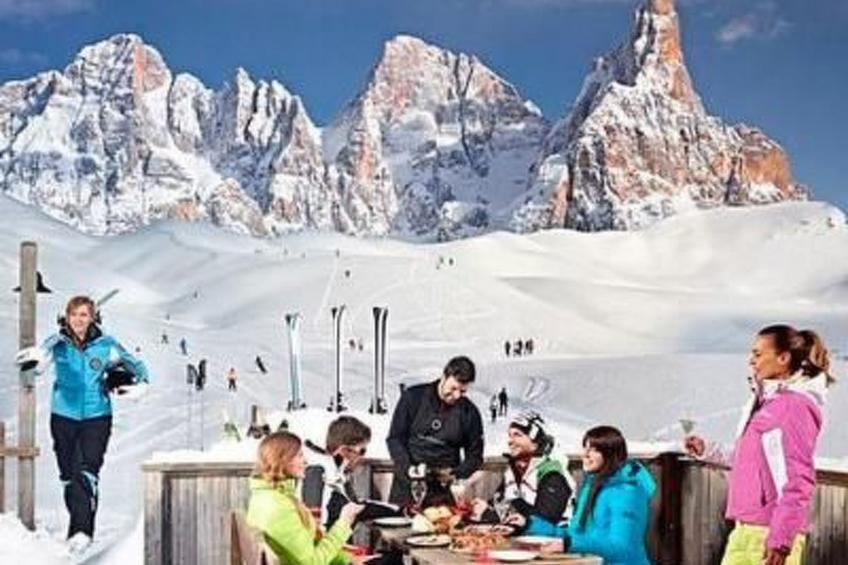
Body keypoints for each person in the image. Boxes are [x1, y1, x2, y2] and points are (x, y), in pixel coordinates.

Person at [685, 325, 833, 565]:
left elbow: (798, 478)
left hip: (767, 535)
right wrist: (708, 450)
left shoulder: (793, 408)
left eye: (758, 354)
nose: (751, 360)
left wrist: (781, 539)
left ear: (783, 358)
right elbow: (755, 461)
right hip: (748, 530)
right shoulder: (769, 403)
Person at [15, 295, 150, 552]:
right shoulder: (57, 343)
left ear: (92, 317)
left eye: (84, 314)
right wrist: (36, 361)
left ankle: (82, 531)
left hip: (97, 417)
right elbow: (38, 361)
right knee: (68, 475)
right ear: (67, 317)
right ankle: (77, 526)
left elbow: (136, 364)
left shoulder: (106, 345)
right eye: (74, 314)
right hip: (63, 416)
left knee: (86, 472)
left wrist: (141, 384)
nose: (79, 319)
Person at [521, 425, 655, 565]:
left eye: (594, 450)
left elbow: (622, 548)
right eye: (585, 448)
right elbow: (576, 535)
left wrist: (569, 545)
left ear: (610, 455)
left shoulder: (628, 493)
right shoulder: (592, 486)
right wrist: (528, 524)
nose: (585, 454)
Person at [246, 431, 364, 565]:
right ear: (282, 459)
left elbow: (311, 549)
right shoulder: (277, 507)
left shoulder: (273, 497)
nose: (306, 461)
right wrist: (344, 522)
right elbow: (312, 562)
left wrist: (348, 561)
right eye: (299, 456)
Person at [386, 356, 484, 506]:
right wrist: (408, 468)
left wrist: (457, 473)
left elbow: (475, 456)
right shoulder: (413, 397)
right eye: (453, 388)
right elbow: (395, 438)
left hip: (444, 491)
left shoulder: (469, 412)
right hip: (407, 486)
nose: (456, 396)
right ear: (444, 377)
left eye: (462, 391)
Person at [473, 411, 574, 533]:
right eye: (510, 435)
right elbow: (499, 503)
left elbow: (545, 519)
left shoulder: (552, 474)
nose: (510, 441)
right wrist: (482, 508)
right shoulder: (512, 471)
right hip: (522, 539)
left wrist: (492, 513)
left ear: (535, 442)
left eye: (518, 435)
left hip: (555, 541)